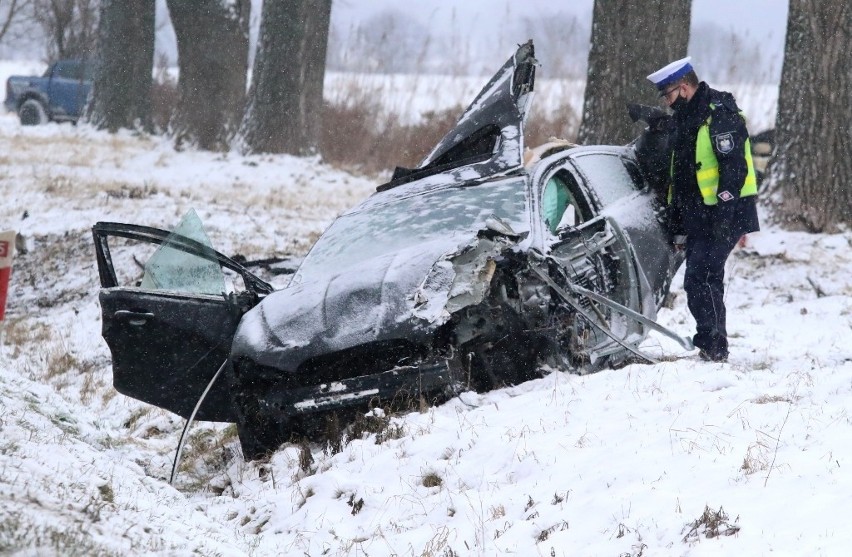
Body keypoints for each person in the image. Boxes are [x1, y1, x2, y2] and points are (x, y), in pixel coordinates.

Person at [646, 57, 759, 362]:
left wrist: (723, 216)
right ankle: (710, 342)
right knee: (701, 277)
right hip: (699, 213)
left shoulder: (719, 114)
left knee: (702, 276)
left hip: (726, 211)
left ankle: (714, 346)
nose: (668, 103)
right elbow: (682, 172)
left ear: (683, 88)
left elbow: (733, 169)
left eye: (668, 96)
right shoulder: (686, 118)